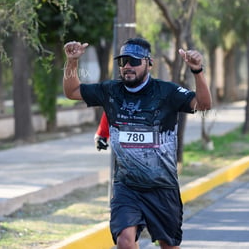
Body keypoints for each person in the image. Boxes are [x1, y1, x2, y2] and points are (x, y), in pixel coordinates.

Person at [63, 37, 212, 249]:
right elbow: (72, 92)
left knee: (168, 246)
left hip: (162, 187)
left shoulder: (166, 92)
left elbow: (204, 104)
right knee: (125, 241)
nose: (128, 67)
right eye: (123, 62)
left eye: (134, 61)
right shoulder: (111, 91)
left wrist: (197, 71)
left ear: (149, 63)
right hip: (127, 186)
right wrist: (72, 61)